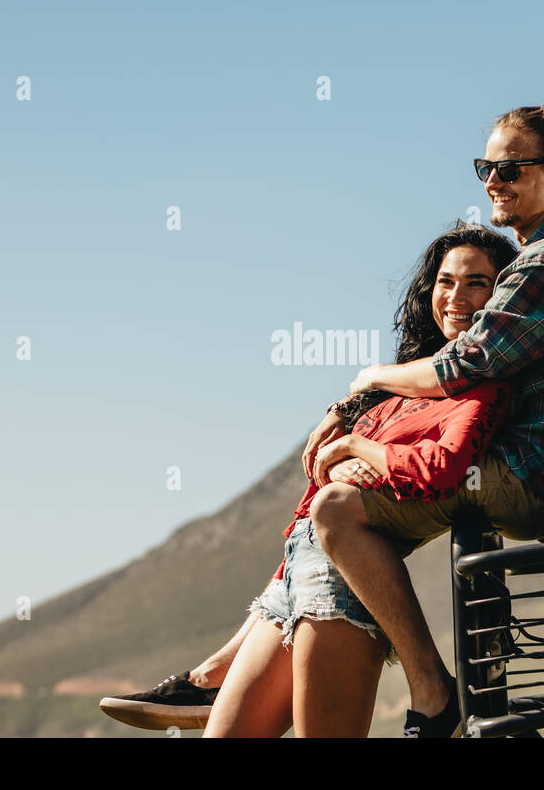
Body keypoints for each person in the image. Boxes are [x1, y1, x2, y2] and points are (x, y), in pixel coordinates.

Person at [103, 106, 544, 737]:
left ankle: (432, 689)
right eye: (485, 166)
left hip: (537, 474)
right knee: (335, 501)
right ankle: (223, 671)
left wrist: (366, 381)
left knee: (337, 510)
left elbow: (461, 367)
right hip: (536, 469)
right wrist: (352, 418)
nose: (493, 179)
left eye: (510, 168)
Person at [102, 223, 518, 737]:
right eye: (445, 281)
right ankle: (213, 675)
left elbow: (443, 468)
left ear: (500, 297)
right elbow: (314, 500)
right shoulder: (406, 382)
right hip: (291, 580)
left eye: (477, 283)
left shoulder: (480, 382)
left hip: (339, 587)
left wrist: (360, 449)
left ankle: (432, 689)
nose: (455, 297)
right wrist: (345, 412)